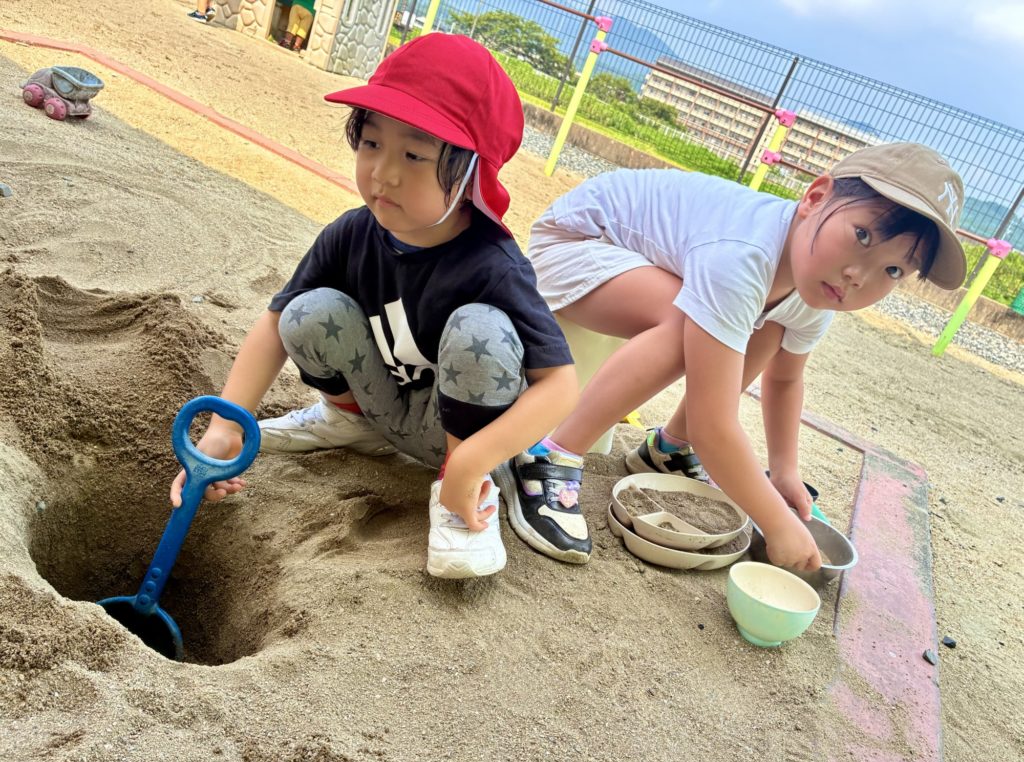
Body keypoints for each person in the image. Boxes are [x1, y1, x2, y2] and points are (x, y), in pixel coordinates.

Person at [168, 33, 577, 579]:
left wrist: (475, 459)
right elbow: (274, 326)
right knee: (306, 311)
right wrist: (226, 426)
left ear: (471, 172)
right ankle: (347, 422)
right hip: (381, 407)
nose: (383, 173)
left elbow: (560, 384)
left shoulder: (493, 264)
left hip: (457, 436)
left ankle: (461, 497)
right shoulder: (352, 233)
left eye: (413, 154)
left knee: (483, 329)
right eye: (370, 143)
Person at [497, 142, 966, 570]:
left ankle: (668, 450)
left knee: (770, 325)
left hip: (642, 265)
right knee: (686, 320)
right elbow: (715, 424)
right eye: (862, 235)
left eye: (892, 269)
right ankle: (549, 453)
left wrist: (784, 471)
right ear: (816, 197)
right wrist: (779, 525)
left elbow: (784, 381)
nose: (857, 276)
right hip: (577, 245)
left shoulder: (819, 282)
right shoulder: (743, 255)